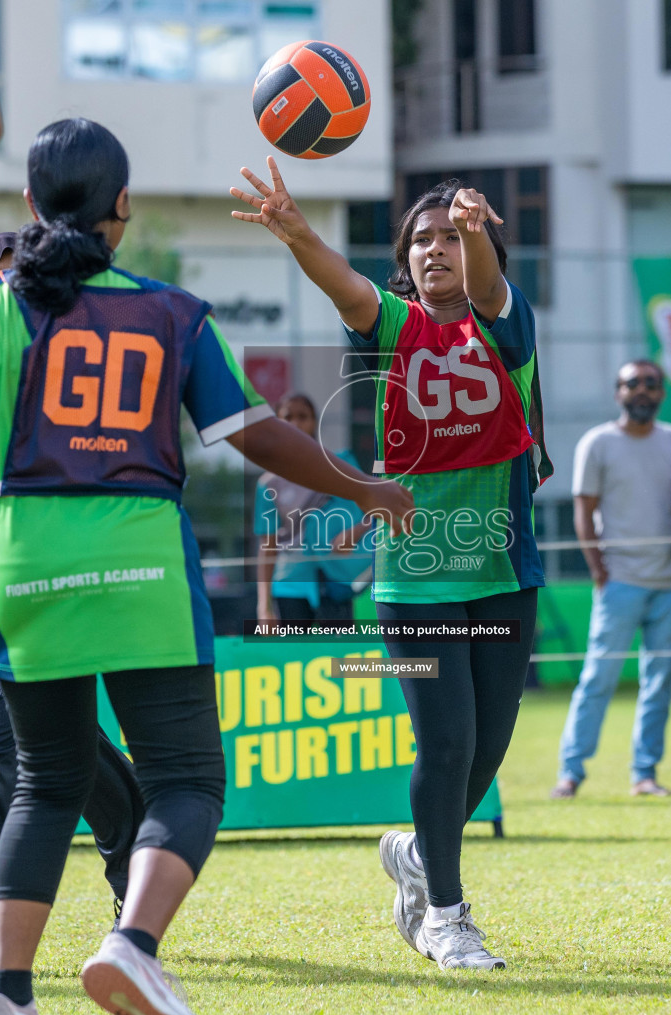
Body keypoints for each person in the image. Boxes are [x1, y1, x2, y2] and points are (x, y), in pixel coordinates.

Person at [0, 119, 412, 1015]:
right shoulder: (171, 313)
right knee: (187, 781)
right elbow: (254, 432)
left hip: (23, 567)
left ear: (29, 205)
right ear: (124, 208)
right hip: (141, 564)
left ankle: (9, 995)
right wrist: (365, 488)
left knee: (41, 780)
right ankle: (132, 947)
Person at [233, 161, 550, 970]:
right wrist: (298, 231)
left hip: (505, 569)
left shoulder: (508, 327)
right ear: (404, 259)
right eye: (421, 239)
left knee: (487, 751)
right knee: (445, 746)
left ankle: (416, 852)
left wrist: (477, 230)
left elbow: (489, 292)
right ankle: (445, 915)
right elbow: (346, 290)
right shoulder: (392, 329)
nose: (435, 249)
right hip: (412, 577)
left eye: (451, 236)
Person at [0, 233, 144, 979]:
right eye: (0, 280)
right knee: (64, 748)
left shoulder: (66, 374)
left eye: (26, 278)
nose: (15, 294)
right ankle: (139, 849)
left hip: (50, 592)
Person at [551, 359, 671, 799]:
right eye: (634, 384)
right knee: (598, 678)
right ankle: (570, 773)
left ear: (663, 394)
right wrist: (599, 571)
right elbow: (583, 511)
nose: (643, 391)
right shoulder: (598, 442)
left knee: (660, 681)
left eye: (652, 384)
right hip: (620, 582)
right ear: (618, 392)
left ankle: (644, 774)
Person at [254, 393, 371, 624]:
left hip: (339, 580)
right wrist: (263, 607)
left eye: (303, 416)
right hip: (291, 586)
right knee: (296, 659)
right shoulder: (268, 484)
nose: (296, 423)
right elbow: (268, 546)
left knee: (340, 657)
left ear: (314, 421)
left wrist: (355, 532)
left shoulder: (341, 465)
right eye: (288, 417)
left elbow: (373, 505)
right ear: (277, 422)